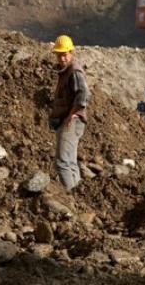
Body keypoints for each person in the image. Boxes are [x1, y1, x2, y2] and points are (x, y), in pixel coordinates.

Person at [48, 34, 90, 191]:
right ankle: (77, 194)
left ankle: (70, 197)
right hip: (68, 120)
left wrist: (72, 114)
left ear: (71, 52)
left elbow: (84, 95)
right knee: (70, 162)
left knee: (62, 162)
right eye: (59, 54)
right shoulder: (66, 71)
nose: (62, 58)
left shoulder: (74, 71)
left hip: (72, 121)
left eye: (64, 54)